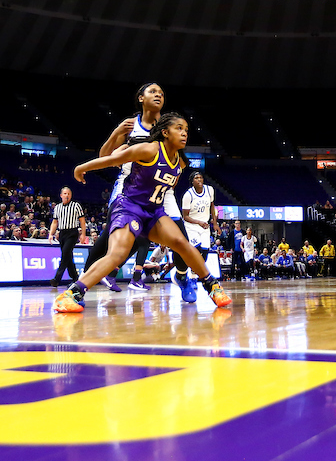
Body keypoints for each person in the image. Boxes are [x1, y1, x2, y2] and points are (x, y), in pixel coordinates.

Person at [54, 113, 231, 313]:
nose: (184, 133)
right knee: (117, 254)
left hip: (154, 211)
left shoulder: (179, 162)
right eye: (179, 129)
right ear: (165, 132)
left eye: (186, 130)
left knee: (181, 243)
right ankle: (71, 294)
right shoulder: (150, 149)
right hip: (129, 207)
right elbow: (113, 159)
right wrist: (81, 168)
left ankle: (212, 286)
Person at [81, 83, 165, 293]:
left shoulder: (166, 127)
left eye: (161, 93)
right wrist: (116, 133)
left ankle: (109, 272)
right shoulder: (130, 126)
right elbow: (104, 157)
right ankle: (83, 278)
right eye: (152, 92)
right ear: (141, 98)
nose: (158, 95)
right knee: (109, 236)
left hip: (151, 191)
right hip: (127, 187)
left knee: (141, 237)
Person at [180, 171, 217, 295]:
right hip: (191, 226)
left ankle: (195, 274)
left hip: (204, 225)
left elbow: (212, 206)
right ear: (192, 181)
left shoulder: (209, 190)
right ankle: (192, 277)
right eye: (196, 178)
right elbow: (185, 216)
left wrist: (215, 222)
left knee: (205, 253)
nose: (199, 179)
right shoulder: (188, 195)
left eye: (201, 177)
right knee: (196, 250)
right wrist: (198, 222)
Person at [48, 186, 87, 286]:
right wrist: (51, 234)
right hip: (62, 233)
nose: (67, 195)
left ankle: (57, 278)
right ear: (61, 195)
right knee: (68, 256)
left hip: (72, 232)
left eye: (69, 194)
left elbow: (82, 221)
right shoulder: (57, 207)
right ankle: (75, 279)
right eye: (65, 194)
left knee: (65, 254)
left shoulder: (76, 205)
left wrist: (83, 234)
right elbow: (55, 222)